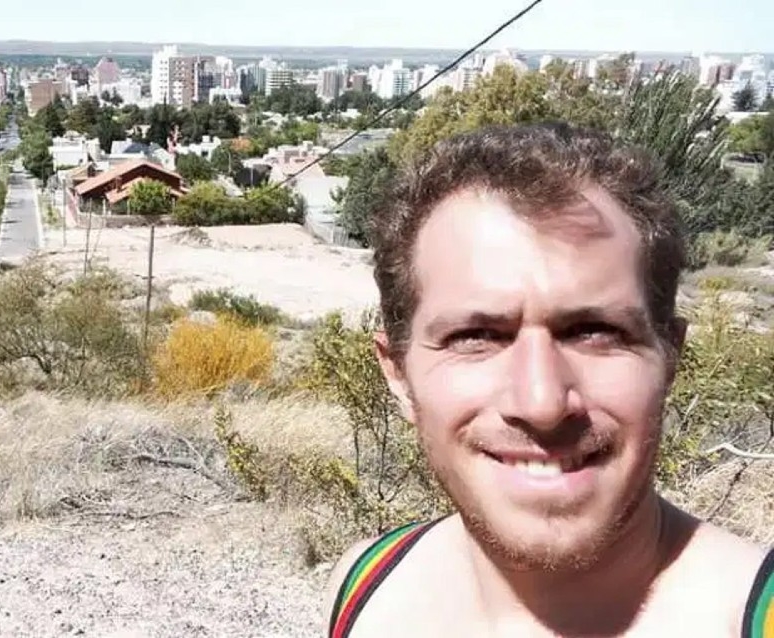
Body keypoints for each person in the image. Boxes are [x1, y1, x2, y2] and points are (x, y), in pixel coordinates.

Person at [324, 122, 774, 638]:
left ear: (670, 355)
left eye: (595, 332)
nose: (541, 403)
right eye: (476, 336)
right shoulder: (366, 590)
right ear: (398, 373)